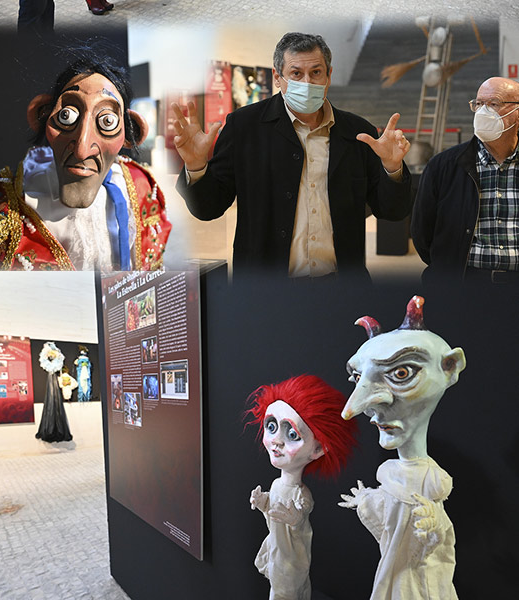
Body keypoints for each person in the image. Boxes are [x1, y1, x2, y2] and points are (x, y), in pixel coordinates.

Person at [174, 31, 412, 274]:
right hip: (267, 291)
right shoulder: (244, 127)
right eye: (296, 73)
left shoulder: (358, 132)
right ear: (278, 77)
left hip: (340, 288)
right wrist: (196, 166)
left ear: (329, 75)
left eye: (316, 72)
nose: (307, 83)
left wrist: (392, 169)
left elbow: (392, 211)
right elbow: (208, 208)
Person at [0, 51, 171, 271]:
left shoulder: (140, 188)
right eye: (67, 116)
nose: (82, 150)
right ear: (42, 115)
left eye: (107, 122)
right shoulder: (0, 203)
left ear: (130, 133)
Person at [340, 296, 465, 600]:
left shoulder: (431, 480)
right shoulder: (390, 473)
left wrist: (434, 524)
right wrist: (368, 501)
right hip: (394, 570)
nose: (352, 409)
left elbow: (439, 529)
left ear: (450, 367)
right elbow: (392, 516)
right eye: (357, 378)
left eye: (401, 373)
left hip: (419, 574)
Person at [246, 375, 354, 600]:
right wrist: (263, 501)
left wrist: (294, 518)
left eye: (292, 434)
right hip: (277, 551)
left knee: (286, 591)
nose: (276, 441)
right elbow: (272, 510)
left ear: (317, 450)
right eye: (271, 426)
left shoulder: (300, 494)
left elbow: (300, 519)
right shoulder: (277, 484)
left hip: (291, 558)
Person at [411, 76, 519, 281]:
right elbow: (422, 234)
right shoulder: (442, 166)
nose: (483, 112)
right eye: (478, 104)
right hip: (463, 284)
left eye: (493, 104)